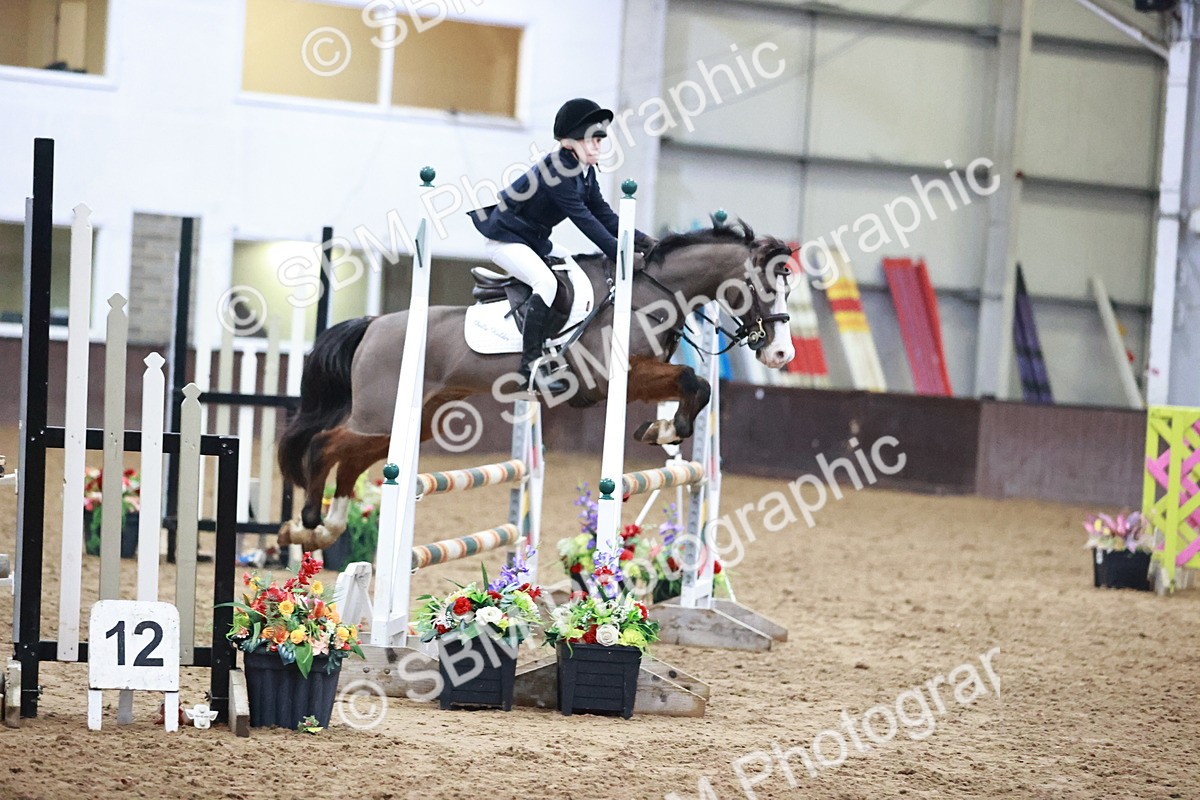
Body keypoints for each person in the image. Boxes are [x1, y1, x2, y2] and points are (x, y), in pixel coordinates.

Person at [470, 97, 655, 393]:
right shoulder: (557, 170)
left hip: (533, 241)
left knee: (578, 271)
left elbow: (604, 214)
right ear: (571, 142)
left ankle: (556, 346)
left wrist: (645, 241)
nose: (598, 146)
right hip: (505, 238)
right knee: (546, 283)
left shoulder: (584, 170)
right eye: (592, 140)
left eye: (600, 140)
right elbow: (584, 220)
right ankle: (530, 368)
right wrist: (620, 253)